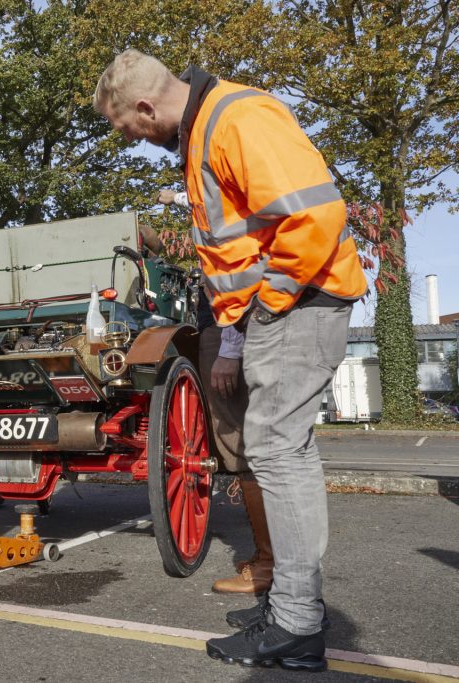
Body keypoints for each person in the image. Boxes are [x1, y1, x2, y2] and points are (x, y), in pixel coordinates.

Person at [94, 50, 367, 671]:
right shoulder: (206, 130)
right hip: (283, 307)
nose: (131, 139)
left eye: (127, 128)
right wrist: (244, 325)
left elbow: (314, 215)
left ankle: (297, 625)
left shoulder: (237, 118)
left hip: (298, 302)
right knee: (276, 450)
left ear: (145, 106)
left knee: (275, 450)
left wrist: (265, 307)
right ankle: (292, 607)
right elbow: (235, 251)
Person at [158, 190, 272, 596]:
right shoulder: (213, 202)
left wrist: (228, 348)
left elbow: (231, 280)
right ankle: (267, 558)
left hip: (228, 329)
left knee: (237, 442)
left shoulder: (218, 213)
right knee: (240, 442)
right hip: (228, 325)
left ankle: (268, 564)